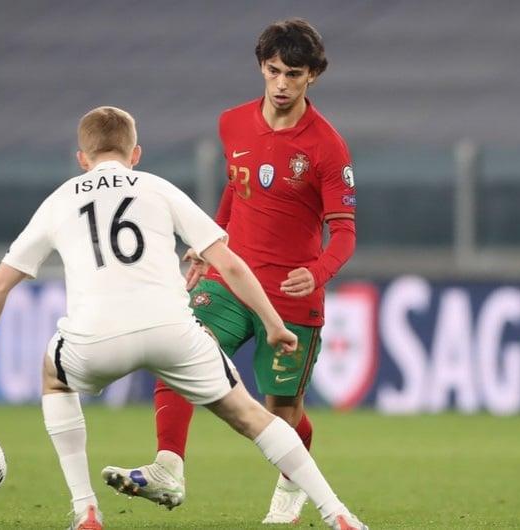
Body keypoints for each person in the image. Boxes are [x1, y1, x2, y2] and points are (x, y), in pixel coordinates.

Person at [0, 106, 366, 530]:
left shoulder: (60, 200)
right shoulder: (157, 188)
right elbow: (231, 264)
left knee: (54, 378)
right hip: (171, 330)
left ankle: (86, 509)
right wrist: (274, 324)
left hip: (95, 338)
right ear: (135, 154)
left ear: (82, 159)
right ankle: (337, 514)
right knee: (251, 413)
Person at [103, 18, 357, 525]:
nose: (281, 84)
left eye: (294, 74)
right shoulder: (232, 123)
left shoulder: (327, 146)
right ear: (261, 67)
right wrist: (207, 244)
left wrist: (318, 271)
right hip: (231, 280)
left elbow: (345, 233)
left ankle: (292, 481)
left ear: (313, 76)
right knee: (178, 352)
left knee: (282, 414)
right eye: (273, 71)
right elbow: (236, 189)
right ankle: (168, 467)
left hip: (290, 295)